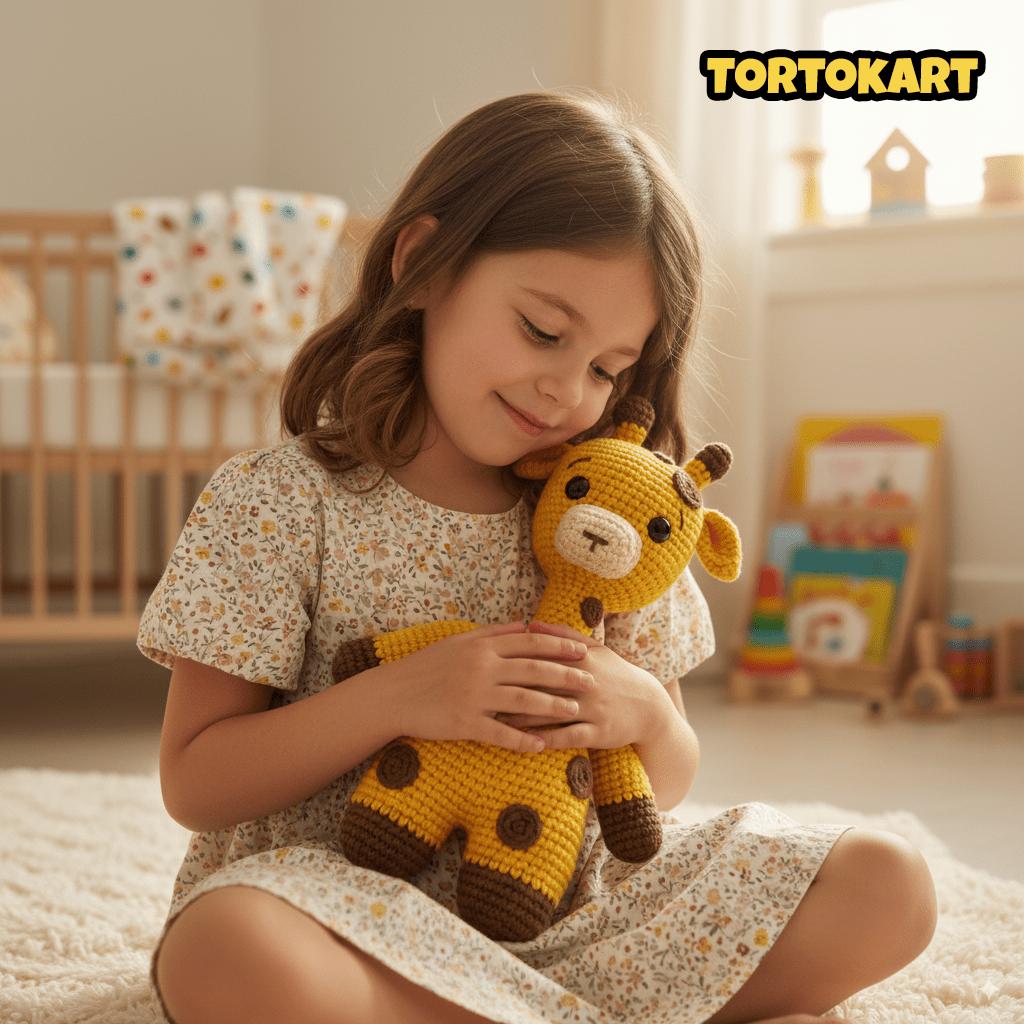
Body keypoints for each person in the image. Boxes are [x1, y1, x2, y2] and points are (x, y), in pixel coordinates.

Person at [142, 91, 936, 1024]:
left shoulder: (613, 515)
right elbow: (197, 782)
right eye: (544, 332)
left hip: (570, 909)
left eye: (608, 368)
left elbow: (666, 779)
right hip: (343, 909)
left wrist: (636, 708)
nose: (568, 390)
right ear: (423, 264)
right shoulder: (280, 502)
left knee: (889, 885)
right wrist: (404, 694)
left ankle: (508, 1008)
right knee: (225, 950)